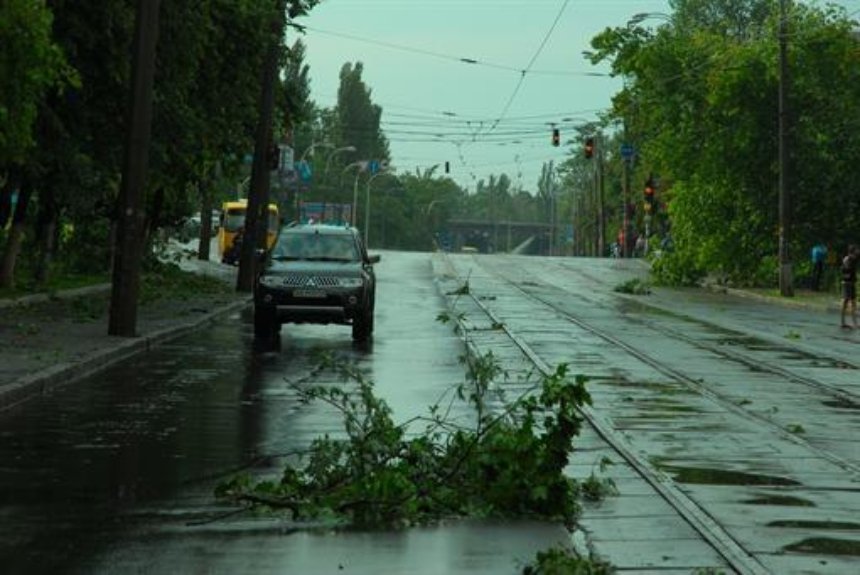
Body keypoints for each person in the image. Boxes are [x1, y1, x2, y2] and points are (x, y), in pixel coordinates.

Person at [840, 244, 858, 329]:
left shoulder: (853, 259)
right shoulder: (847, 259)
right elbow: (845, 271)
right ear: (851, 252)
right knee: (846, 302)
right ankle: (843, 322)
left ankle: (854, 323)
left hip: (851, 283)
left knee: (853, 302)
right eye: (855, 252)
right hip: (847, 283)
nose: (857, 253)